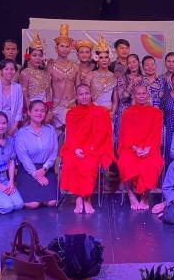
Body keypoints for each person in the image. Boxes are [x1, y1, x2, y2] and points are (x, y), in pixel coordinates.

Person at [59, 84, 114, 214]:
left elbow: (103, 134)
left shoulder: (101, 111)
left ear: (91, 95)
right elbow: (70, 136)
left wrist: (90, 147)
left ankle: (86, 198)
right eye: (81, 94)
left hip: (95, 147)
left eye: (87, 93)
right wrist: (75, 149)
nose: (84, 97)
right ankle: (79, 198)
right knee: (71, 161)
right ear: (76, 97)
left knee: (89, 163)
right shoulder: (72, 114)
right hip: (75, 147)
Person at [118, 85, 164, 211]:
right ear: (134, 96)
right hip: (130, 148)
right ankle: (130, 194)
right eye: (139, 94)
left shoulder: (156, 112)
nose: (142, 96)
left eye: (144, 93)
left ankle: (145, 196)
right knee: (125, 162)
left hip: (150, 147)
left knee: (153, 163)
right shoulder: (127, 113)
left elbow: (156, 133)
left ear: (148, 95)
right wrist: (135, 148)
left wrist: (148, 148)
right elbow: (124, 134)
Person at [15, 101, 58, 209]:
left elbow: (54, 152)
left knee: (52, 202)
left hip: (46, 169)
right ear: (29, 112)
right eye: (36, 110)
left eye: (42, 111)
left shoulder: (50, 130)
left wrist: (44, 169)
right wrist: (35, 174)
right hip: (28, 170)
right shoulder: (22, 133)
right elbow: (23, 157)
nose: (39, 113)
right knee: (33, 204)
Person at [47, 24, 78, 133]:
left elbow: (78, 88)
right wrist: (48, 110)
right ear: (56, 48)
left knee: (72, 135)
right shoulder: (50, 67)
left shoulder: (75, 67)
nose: (64, 49)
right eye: (62, 46)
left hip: (72, 105)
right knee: (57, 136)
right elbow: (47, 90)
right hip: (57, 106)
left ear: (71, 48)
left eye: (67, 46)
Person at [112, 54, 143, 142]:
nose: (132, 65)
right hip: (124, 114)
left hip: (139, 114)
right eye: (129, 63)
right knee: (123, 142)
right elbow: (123, 97)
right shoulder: (122, 79)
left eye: (134, 62)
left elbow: (147, 97)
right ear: (127, 65)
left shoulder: (144, 79)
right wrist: (131, 84)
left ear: (138, 62)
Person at [20, 31, 52, 109]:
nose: (38, 58)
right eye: (34, 55)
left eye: (40, 56)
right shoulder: (25, 73)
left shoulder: (45, 73)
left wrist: (48, 111)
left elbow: (48, 94)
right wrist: (29, 110)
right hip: (31, 108)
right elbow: (24, 93)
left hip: (44, 109)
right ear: (28, 57)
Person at [88, 34, 116, 113]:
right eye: (101, 57)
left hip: (109, 113)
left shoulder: (113, 76)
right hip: (94, 112)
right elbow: (85, 97)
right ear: (97, 59)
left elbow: (115, 99)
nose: (104, 60)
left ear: (109, 59)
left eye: (106, 57)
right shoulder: (91, 75)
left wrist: (112, 113)